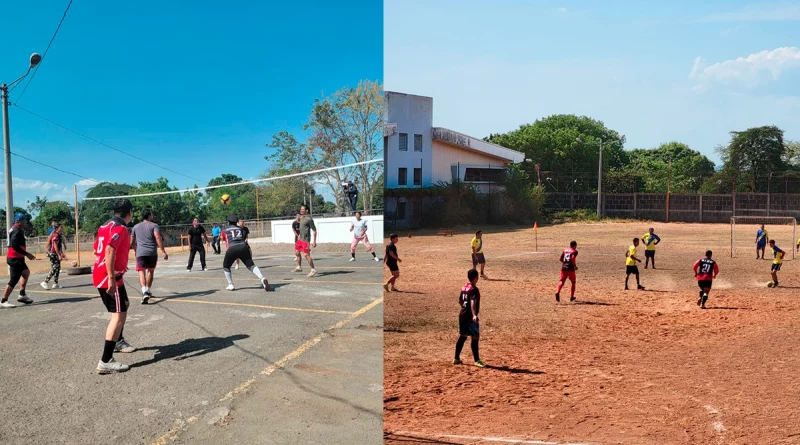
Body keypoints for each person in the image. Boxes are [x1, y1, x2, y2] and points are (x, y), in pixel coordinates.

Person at [93, 199, 136, 374]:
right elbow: (109, 250)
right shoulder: (119, 228)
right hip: (110, 277)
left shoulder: (105, 226)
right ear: (129, 212)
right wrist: (110, 277)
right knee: (117, 316)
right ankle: (105, 361)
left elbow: (97, 248)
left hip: (106, 274)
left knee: (124, 305)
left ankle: (118, 341)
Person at [221, 215, 270, 292]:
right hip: (243, 247)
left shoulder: (225, 229)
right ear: (236, 222)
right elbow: (243, 237)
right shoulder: (241, 229)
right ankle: (262, 278)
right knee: (251, 265)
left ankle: (231, 284)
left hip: (232, 248)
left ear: (228, 222)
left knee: (226, 266)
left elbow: (224, 238)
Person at [131, 210, 169, 304]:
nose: (153, 216)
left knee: (141, 272)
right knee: (150, 272)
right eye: (152, 215)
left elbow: (131, 242)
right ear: (149, 216)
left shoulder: (135, 227)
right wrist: (163, 251)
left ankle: (144, 291)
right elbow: (157, 237)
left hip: (140, 253)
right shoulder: (154, 226)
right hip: (151, 253)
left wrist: (136, 250)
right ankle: (147, 290)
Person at [1, 213, 36, 308]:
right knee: (14, 279)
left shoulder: (15, 229)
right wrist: (27, 254)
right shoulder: (17, 231)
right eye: (24, 220)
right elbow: (14, 245)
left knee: (26, 272)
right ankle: (4, 300)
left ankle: (22, 295)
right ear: (18, 221)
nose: (26, 222)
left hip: (16, 257)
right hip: (15, 258)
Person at [454, 269, 485, 368]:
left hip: (462, 315)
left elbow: (460, 301)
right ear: (476, 278)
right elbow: (472, 302)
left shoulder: (464, 287)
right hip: (470, 317)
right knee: (475, 336)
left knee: (463, 336)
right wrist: (474, 314)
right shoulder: (474, 289)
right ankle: (477, 360)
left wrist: (464, 308)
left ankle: (456, 358)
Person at [293, 205, 318, 277]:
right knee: (297, 252)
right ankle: (299, 267)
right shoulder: (301, 218)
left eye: (303, 209)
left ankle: (313, 269)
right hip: (300, 239)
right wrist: (299, 236)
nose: (301, 210)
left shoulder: (309, 219)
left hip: (306, 240)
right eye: (300, 209)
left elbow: (314, 230)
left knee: (306, 255)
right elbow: (301, 228)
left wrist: (314, 241)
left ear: (306, 210)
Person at [40, 224, 67, 290]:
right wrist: (59, 255)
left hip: (55, 253)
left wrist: (62, 254)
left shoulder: (59, 235)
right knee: (55, 267)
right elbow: (55, 246)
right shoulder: (56, 235)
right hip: (52, 253)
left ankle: (55, 283)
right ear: (57, 228)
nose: (62, 228)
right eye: (60, 227)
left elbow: (59, 246)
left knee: (58, 268)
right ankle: (45, 281)